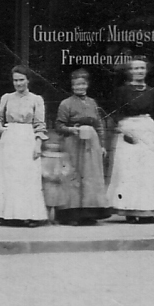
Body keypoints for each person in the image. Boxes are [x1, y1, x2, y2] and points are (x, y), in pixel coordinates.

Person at [105, 56, 154, 223]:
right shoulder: (122, 91)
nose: (139, 71)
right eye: (135, 68)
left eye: (142, 68)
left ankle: (148, 211)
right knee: (129, 172)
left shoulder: (152, 92)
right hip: (129, 133)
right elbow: (115, 114)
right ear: (129, 71)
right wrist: (125, 131)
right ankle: (130, 211)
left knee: (149, 173)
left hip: (149, 134)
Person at [0, 65, 49, 225]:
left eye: (21, 80)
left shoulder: (36, 100)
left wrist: (38, 145)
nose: (18, 84)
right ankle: (6, 214)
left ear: (28, 80)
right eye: (15, 80)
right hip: (9, 139)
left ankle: (28, 215)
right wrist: (0, 126)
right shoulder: (6, 97)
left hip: (27, 139)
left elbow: (40, 125)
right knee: (8, 177)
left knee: (26, 178)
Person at [54, 69, 110, 225]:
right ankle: (71, 214)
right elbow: (59, 125)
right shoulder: (66, 104)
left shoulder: (92, 103)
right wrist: (72, 130)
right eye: (76, 84)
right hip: (73, 142)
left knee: (91, 177)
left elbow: (99, 125)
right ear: (72, 86)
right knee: (73, 176)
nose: (80, 87)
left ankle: (89, 213)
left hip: (91, 142)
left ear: (87, 85)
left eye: (83, 84)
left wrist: (102, 145)